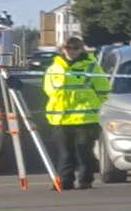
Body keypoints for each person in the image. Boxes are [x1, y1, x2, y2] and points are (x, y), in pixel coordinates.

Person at [43, 36, 110, 190]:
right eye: (68, 48)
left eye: (75, 48)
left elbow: (103, 90)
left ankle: (85, 180)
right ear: (62, 49)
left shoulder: (91, 67)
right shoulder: (54, 68)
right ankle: (64, 181)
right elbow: (49, 90)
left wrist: (92, 105)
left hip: (85, 118)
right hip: (61, 118)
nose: (71, 51)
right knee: (65, 153)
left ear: (81, 49)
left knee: (83, 152)